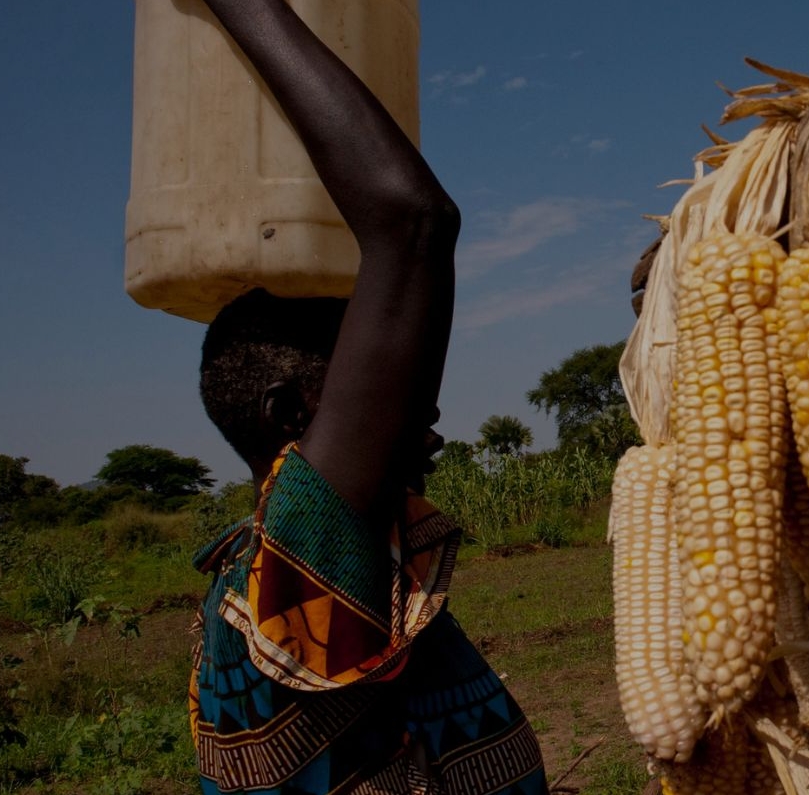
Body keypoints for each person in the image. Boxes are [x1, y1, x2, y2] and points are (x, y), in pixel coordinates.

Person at [185, 1, 547, 792]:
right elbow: (412, 220)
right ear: (291, 415)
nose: (425, 407)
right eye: (382, 379)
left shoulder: (327, 576)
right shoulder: (302, 565)